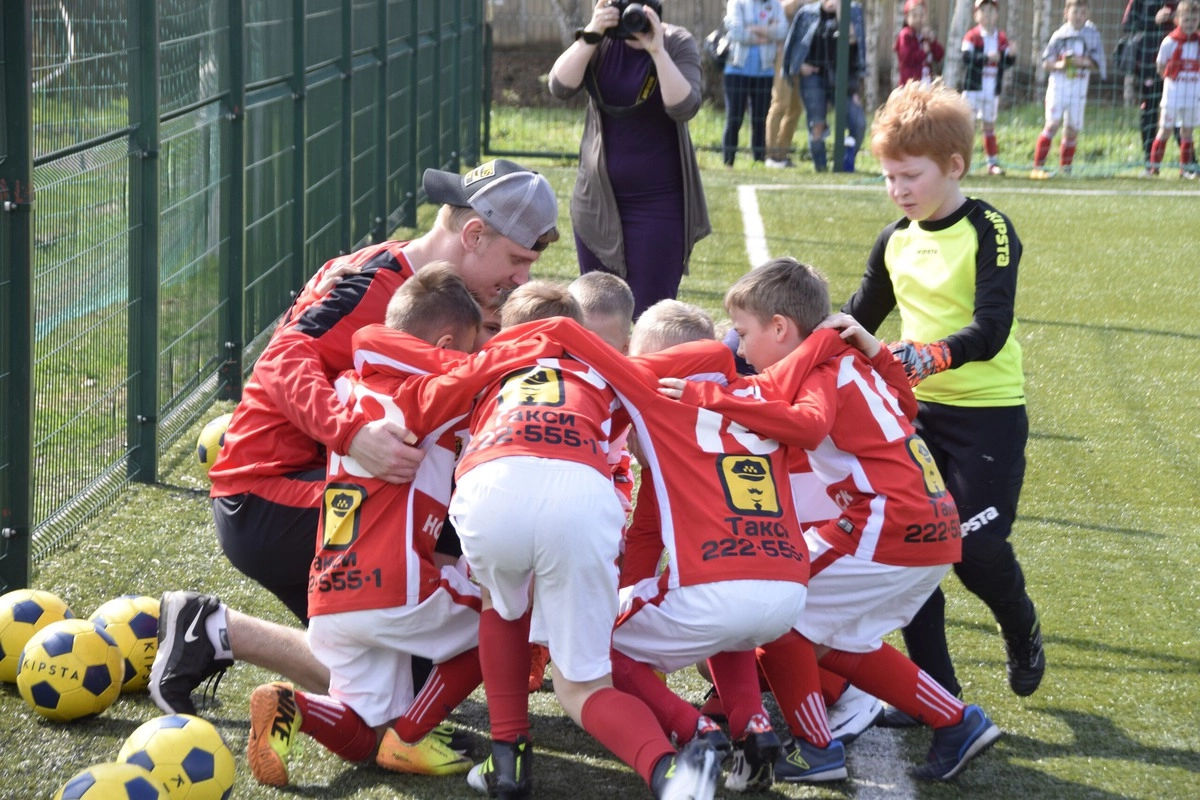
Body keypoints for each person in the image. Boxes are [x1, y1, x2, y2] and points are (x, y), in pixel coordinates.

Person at [148, 159, 559, 717]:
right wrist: (353, 433)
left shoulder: (416, 283)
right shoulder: (376, 285)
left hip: (317, 493)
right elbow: (280, 360)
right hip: (272, 496)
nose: (522, 280)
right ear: (473, 234)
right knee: (458, 581)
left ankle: (212, 629)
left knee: (403, 688)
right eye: (517, 260)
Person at [660, 259, 1002, 783]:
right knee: (838, 641)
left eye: (744, 333)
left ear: (780, 328)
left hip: (886, 519)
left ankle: (816, 748)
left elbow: (808, 425)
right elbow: (906, 404)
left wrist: (712, 397)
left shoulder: (821, 369)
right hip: (931, 521)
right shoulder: (850, 361)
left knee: (775, 612)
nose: (740, 348)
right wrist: (878, 352)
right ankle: (956, 721)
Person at [441, 281, 722, 799]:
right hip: (581, 494)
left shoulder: (484, 362)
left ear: (506, 331)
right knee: (581, 685)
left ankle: (508, 763)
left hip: (492, 484)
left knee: (499, 603)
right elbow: (714, 355)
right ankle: (667, 772)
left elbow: (377, 345)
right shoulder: (602, 368)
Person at [841, 80, 1045, 715]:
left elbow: (992, 326)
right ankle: (937, 692)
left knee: (976, 552)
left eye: (911, 175)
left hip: (988, 416)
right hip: (916, 416)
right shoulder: (894, 239)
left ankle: (1021, 626)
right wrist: (764, 348)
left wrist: (930, 355)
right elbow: (856, 318)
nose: (898, 189)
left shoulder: (989, 228)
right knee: (914, 551)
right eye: (889, 177)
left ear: (954, 165)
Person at [246, 266, 486, 786]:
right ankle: (412, 734)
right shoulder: (427, 395)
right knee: (510, 619)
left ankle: (293, 706)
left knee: (364, 728)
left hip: (333, 592)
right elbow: (486, 383)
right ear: (445, 347)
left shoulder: (345, 388)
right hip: (396, 588)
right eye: (468, 347)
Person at [548, 0, 710, 319]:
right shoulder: (600, 40)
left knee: (651, 316)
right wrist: (592, 33)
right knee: (595, 313)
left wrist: (656, 50)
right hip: (597, 201)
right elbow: (559, 86)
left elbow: (684, 107)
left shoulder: (676, 41)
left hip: (659, 204)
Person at [781, 0, 868, 173]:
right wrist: (800, 66)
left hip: (843, 79)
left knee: (858, 122)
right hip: (813, 76)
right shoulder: (806, 13)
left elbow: (852, 41)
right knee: (817, 124)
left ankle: (845, 162)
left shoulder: (854, 11)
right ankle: (820, 167)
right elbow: (792, 45)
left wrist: (840, 10)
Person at [1031, 0, 1107, 179]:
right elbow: (1046, 63)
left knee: (1072, 130)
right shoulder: (1059, 35)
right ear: (1066, 13)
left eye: (1083, 12)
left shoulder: (1092, 35)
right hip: (1058, 87)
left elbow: (1097, 62)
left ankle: (1065, 169)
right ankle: (1037, 167)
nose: (1079, 16)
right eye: (1075, 12)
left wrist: (1083, 62)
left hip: (1079, 89)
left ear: (1087, 14)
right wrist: (1061, 64)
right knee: (1052, 124)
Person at [720, 0, 790, 167]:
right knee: (734, 119)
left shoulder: (775, 5)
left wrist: (755, 29)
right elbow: (737, 33)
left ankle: (758, 162)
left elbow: (783, 31)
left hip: (764, 71)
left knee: (760, 120)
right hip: (736, 69)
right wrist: (767, 35)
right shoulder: (737, 3)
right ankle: (728, 162)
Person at [959, 0, 1016, 176]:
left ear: (996, 15)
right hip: (973, 89)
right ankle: (962, 164)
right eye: (983, 10)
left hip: (991, 90)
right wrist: (986, 58)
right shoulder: (972, 36)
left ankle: (992, 164)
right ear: (976, 14)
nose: (987, 14)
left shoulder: (1001, 38)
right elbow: (966, 58)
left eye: (991, 11)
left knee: (989, 126)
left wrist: (1011, 56)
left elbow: (1006, 63)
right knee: (968, 126)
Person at [1121, 0, 1180, 166]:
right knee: (1150, 109)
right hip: (1149, 63)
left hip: (1178, 64)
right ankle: (1150, 160)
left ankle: (1188, 161)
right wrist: (1154, 20)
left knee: (1178, 110)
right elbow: (1128, 25)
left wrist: (1177, 18)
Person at [1147, 0, 1200, 177]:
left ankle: (1184, 170)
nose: (1190, 24)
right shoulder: (1169, 42)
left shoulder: (1198, 42)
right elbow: (1161, 66)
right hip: (1172, 95)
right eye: (1186, 20)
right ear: (1177, 20)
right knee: (1165, 130)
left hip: (1192, 96)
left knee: (1187, 132)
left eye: (1194, 20)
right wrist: (1173, 81)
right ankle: (1153, 168)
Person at [766, 0, 805, 167]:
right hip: (783, 56)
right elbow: (782, 9)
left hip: (802, 56)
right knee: (780, 103)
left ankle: (782, 153)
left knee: (796, 108)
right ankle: (771, 154)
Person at [895, 0, 945, 87]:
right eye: (914, 16)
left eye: (921, 15)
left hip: (926, 83)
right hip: (910, 85)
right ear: (907, 18)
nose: (918, 19)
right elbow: (906, 58)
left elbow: (939, 55)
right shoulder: (905, 35)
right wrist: (923, 52)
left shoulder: (925, 35)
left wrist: (933, 42)